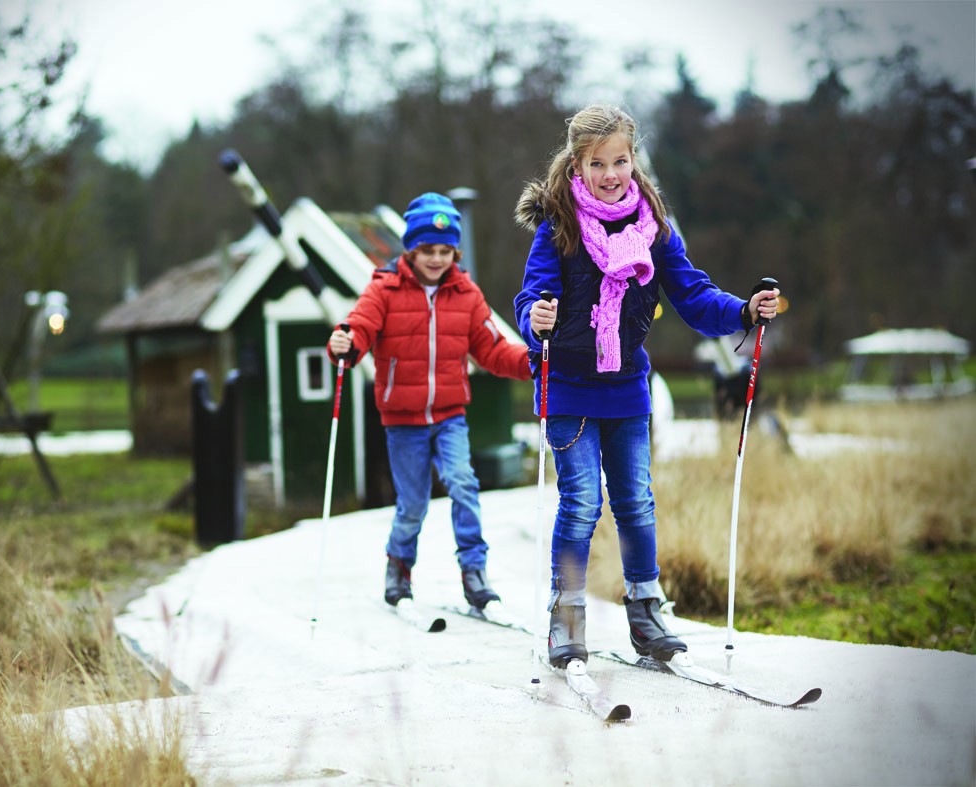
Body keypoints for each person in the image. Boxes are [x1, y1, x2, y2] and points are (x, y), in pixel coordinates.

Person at [512, 105, 780, 667]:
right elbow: (531, 295)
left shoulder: (653, 228)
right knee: (582, 503)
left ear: (634, 160)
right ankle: (567, 615)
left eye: (621, 161)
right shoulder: (558, 228)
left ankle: (645, 608)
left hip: (628, 385)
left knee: (635, 502)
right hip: (567, 385)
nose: (611, 175)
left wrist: (744, 312)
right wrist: (534, 316)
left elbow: (693, 294)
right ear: (577, 165)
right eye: (597, 163)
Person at [327, 192, 532, 611]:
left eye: (445, 251)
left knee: (463, 484)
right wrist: (344, 343)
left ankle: (474, 573)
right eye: (427, 251)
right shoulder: (384, 289)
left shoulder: (466, 294)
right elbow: (359, 329)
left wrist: (535, 364)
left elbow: (492, 349)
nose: (436, 260)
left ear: (455, 251)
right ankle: (399, 567)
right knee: (413, 504)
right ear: (411, 250)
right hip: (402, 420)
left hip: (449, 415)